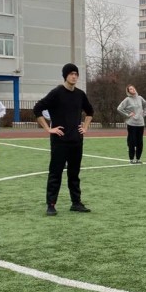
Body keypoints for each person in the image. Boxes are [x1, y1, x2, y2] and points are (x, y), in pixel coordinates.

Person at [34, 63, 94, 216]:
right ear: (65, 76)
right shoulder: (56, 93)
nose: (74, 76)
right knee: (56, 173)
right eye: (71, 74)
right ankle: (51, 204)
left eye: (76, 74)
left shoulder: (80, 94)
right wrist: (48, 129)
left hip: (76, 140)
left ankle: (76, 202)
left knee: (74, 173)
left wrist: (85, 127)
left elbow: (90, 111)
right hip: (59, 141)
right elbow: (37, 109)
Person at [116, 84, 146, 164]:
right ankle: (131, 159)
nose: (132, 90)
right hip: (131, 124)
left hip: (140, 124)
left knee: (139, 142)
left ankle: (138, 159)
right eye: (130, 89)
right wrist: (127, 115)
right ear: (128, 91)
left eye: (133, 88)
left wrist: (143, 114)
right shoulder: (127, 99)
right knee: (132, 141)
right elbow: (119, 108)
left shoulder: (140, 98)